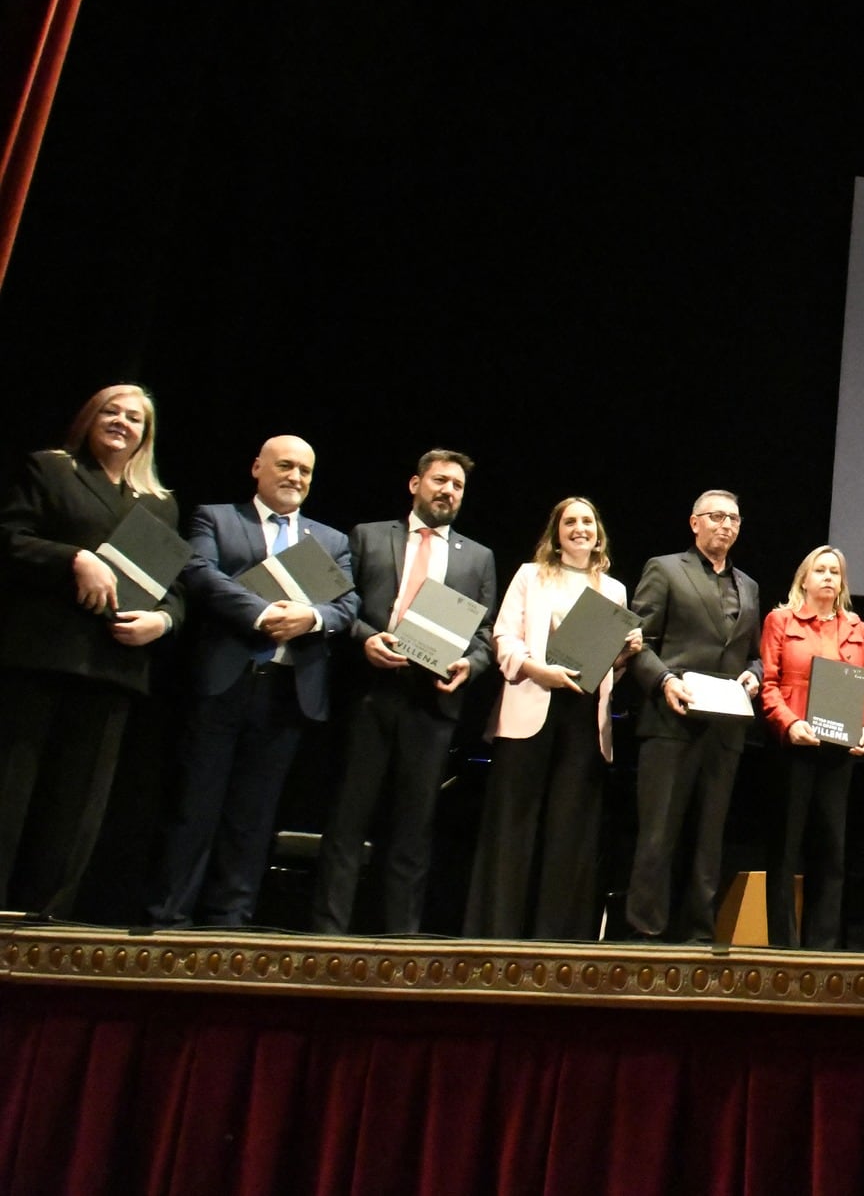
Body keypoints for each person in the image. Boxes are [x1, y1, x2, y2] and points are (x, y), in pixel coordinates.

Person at [148, 435, 358, 928]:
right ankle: (168, 919)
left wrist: (309, 617)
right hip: (224, 682)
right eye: (285, 466)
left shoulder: (329, 541)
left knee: (254, 817)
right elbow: (198, 573)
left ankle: (229, 921)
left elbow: (348, 607)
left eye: (305, 471)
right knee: (194, 806)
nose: (296, 478)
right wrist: (262, 613)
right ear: (257, 467)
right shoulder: (216, 518)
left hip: (288, 692)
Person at [0, 384, 183, 918]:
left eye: (134, 418)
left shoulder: (157, 504)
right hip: (41, 655)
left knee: (77, 803)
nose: (122, 422)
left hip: (113, 666)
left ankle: (44, 918)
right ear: (90, 417)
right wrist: (74, 559)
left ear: (145, 436)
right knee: (12, 787)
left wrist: (164, 619)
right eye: (112, 411)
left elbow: (172, 588)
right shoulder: (51, 470)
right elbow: (9, 538)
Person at [310, 450, 497, 935]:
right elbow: (340, 605)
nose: (448, 491)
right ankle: (328, 937)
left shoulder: (478, 557)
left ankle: (401, 943)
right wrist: (364, 639)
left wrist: (469, 666)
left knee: (413, 831)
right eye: (440, 481)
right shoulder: (369, 536)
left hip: (431, 702)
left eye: (457, 485)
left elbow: (484, 636)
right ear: (415, 484)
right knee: (348, 822)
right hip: (369, 692)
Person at [464, 497, 639, 940]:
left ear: (598, 532)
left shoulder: (614, 590)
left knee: (569, 835)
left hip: (584, 718)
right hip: (532, 703)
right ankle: (497, 936)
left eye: (587, 521)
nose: (580, 528)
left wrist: (624, 654)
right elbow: (503, 636)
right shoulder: (530, 575)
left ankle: (557, 940)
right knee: (513, 829)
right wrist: (535, 669)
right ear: (556, 532)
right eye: (570, 522)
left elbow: (607, 668)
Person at [621, 489, 762, 944]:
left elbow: (754, 656)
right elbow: (636, 642)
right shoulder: (664, 569)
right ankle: (646, 933)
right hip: (671, 721)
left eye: (734, 519)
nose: (726, 525)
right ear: (694, 522)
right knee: (658, 835)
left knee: (708, 839)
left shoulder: (750, 585)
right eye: (717, 516)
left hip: (724, 730)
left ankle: (699, 937)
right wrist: (664, 682)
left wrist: (754, 677)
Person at [758, 545, 864, 950]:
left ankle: (821, 949)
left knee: (831, 851)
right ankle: (782, 947)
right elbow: (769, 685)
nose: (828, 576)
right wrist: (789, 724)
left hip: (837, 750)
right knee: (786, 848)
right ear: (804, 579)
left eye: (835, 572)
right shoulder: (780, 620)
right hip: (793, 746)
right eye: (820, 570)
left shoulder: (855, 627)